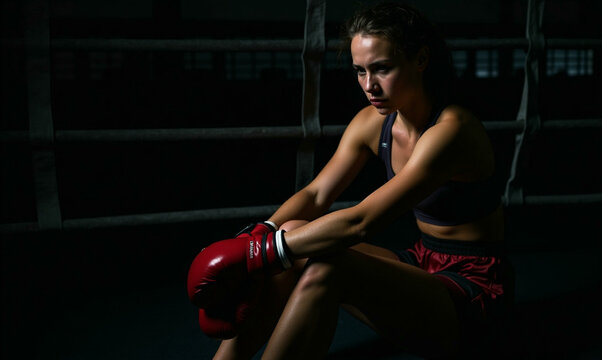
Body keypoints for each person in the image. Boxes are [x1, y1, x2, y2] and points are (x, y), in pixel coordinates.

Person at [187, 2, 512, 359]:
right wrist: (259, 235)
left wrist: (256, 257)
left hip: (474, 288)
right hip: (420, 261)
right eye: (360, 71)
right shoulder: (374, 122)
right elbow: (315, 194)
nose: (369, 85)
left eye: (382, 69)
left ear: (420, 59)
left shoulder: (452, 131)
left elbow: (361, 222)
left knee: (328, 263)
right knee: (292, 229)